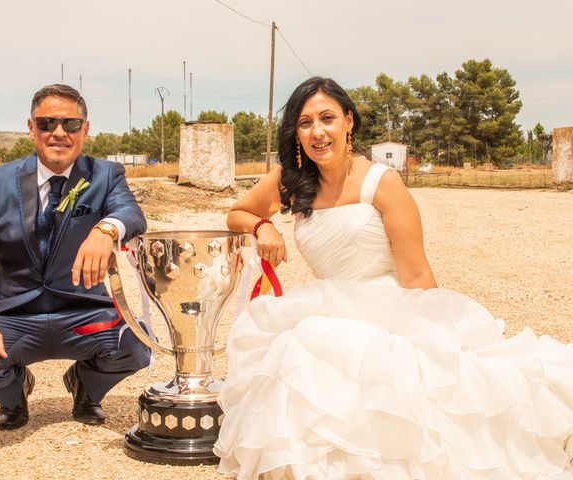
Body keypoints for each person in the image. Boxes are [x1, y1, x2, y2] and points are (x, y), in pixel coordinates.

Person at [213, 77, 573, 479]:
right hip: (326, 305)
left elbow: (416, 271)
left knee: (337, 355)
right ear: (295, 132)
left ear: (349, 121)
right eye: (305, 122)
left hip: (386, 308)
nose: (317, 132)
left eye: (327, 118)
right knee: (301, 349)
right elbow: (237, 212)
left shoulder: (381, 182)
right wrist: (264, 226)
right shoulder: (292, 179)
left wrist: (443, 340)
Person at [0, 84, 151, 430]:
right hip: (14, 317)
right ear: (31, 128)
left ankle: (84, 384)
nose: (59, 133)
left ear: (85, 130)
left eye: (70, 124)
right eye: (47, 123)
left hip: (83, 315)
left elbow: (131, 214)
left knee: (135, 346)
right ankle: (14, 392)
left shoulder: (105, 175)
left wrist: (107, 230)